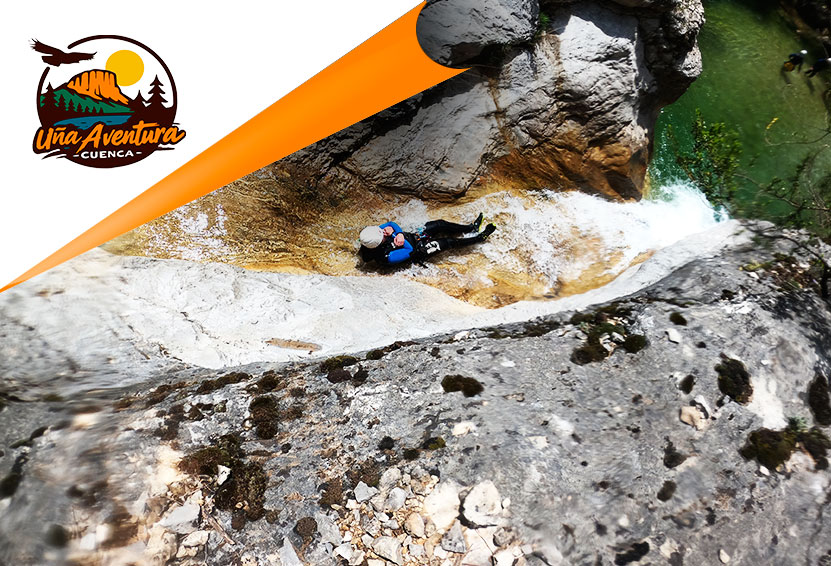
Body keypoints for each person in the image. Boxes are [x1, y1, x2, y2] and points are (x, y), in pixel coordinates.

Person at [358, 213, 496, 266]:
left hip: (412, 236)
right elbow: (409, 250)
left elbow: (390, 224)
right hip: (418, 249)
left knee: (439, 224)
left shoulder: (371, 236)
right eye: (382, 234)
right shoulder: (387, 257)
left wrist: (398, 232)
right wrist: (395, 235)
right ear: (378, 243)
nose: (383, 230)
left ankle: (470, 229)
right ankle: (479, 238)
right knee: (448, 243)